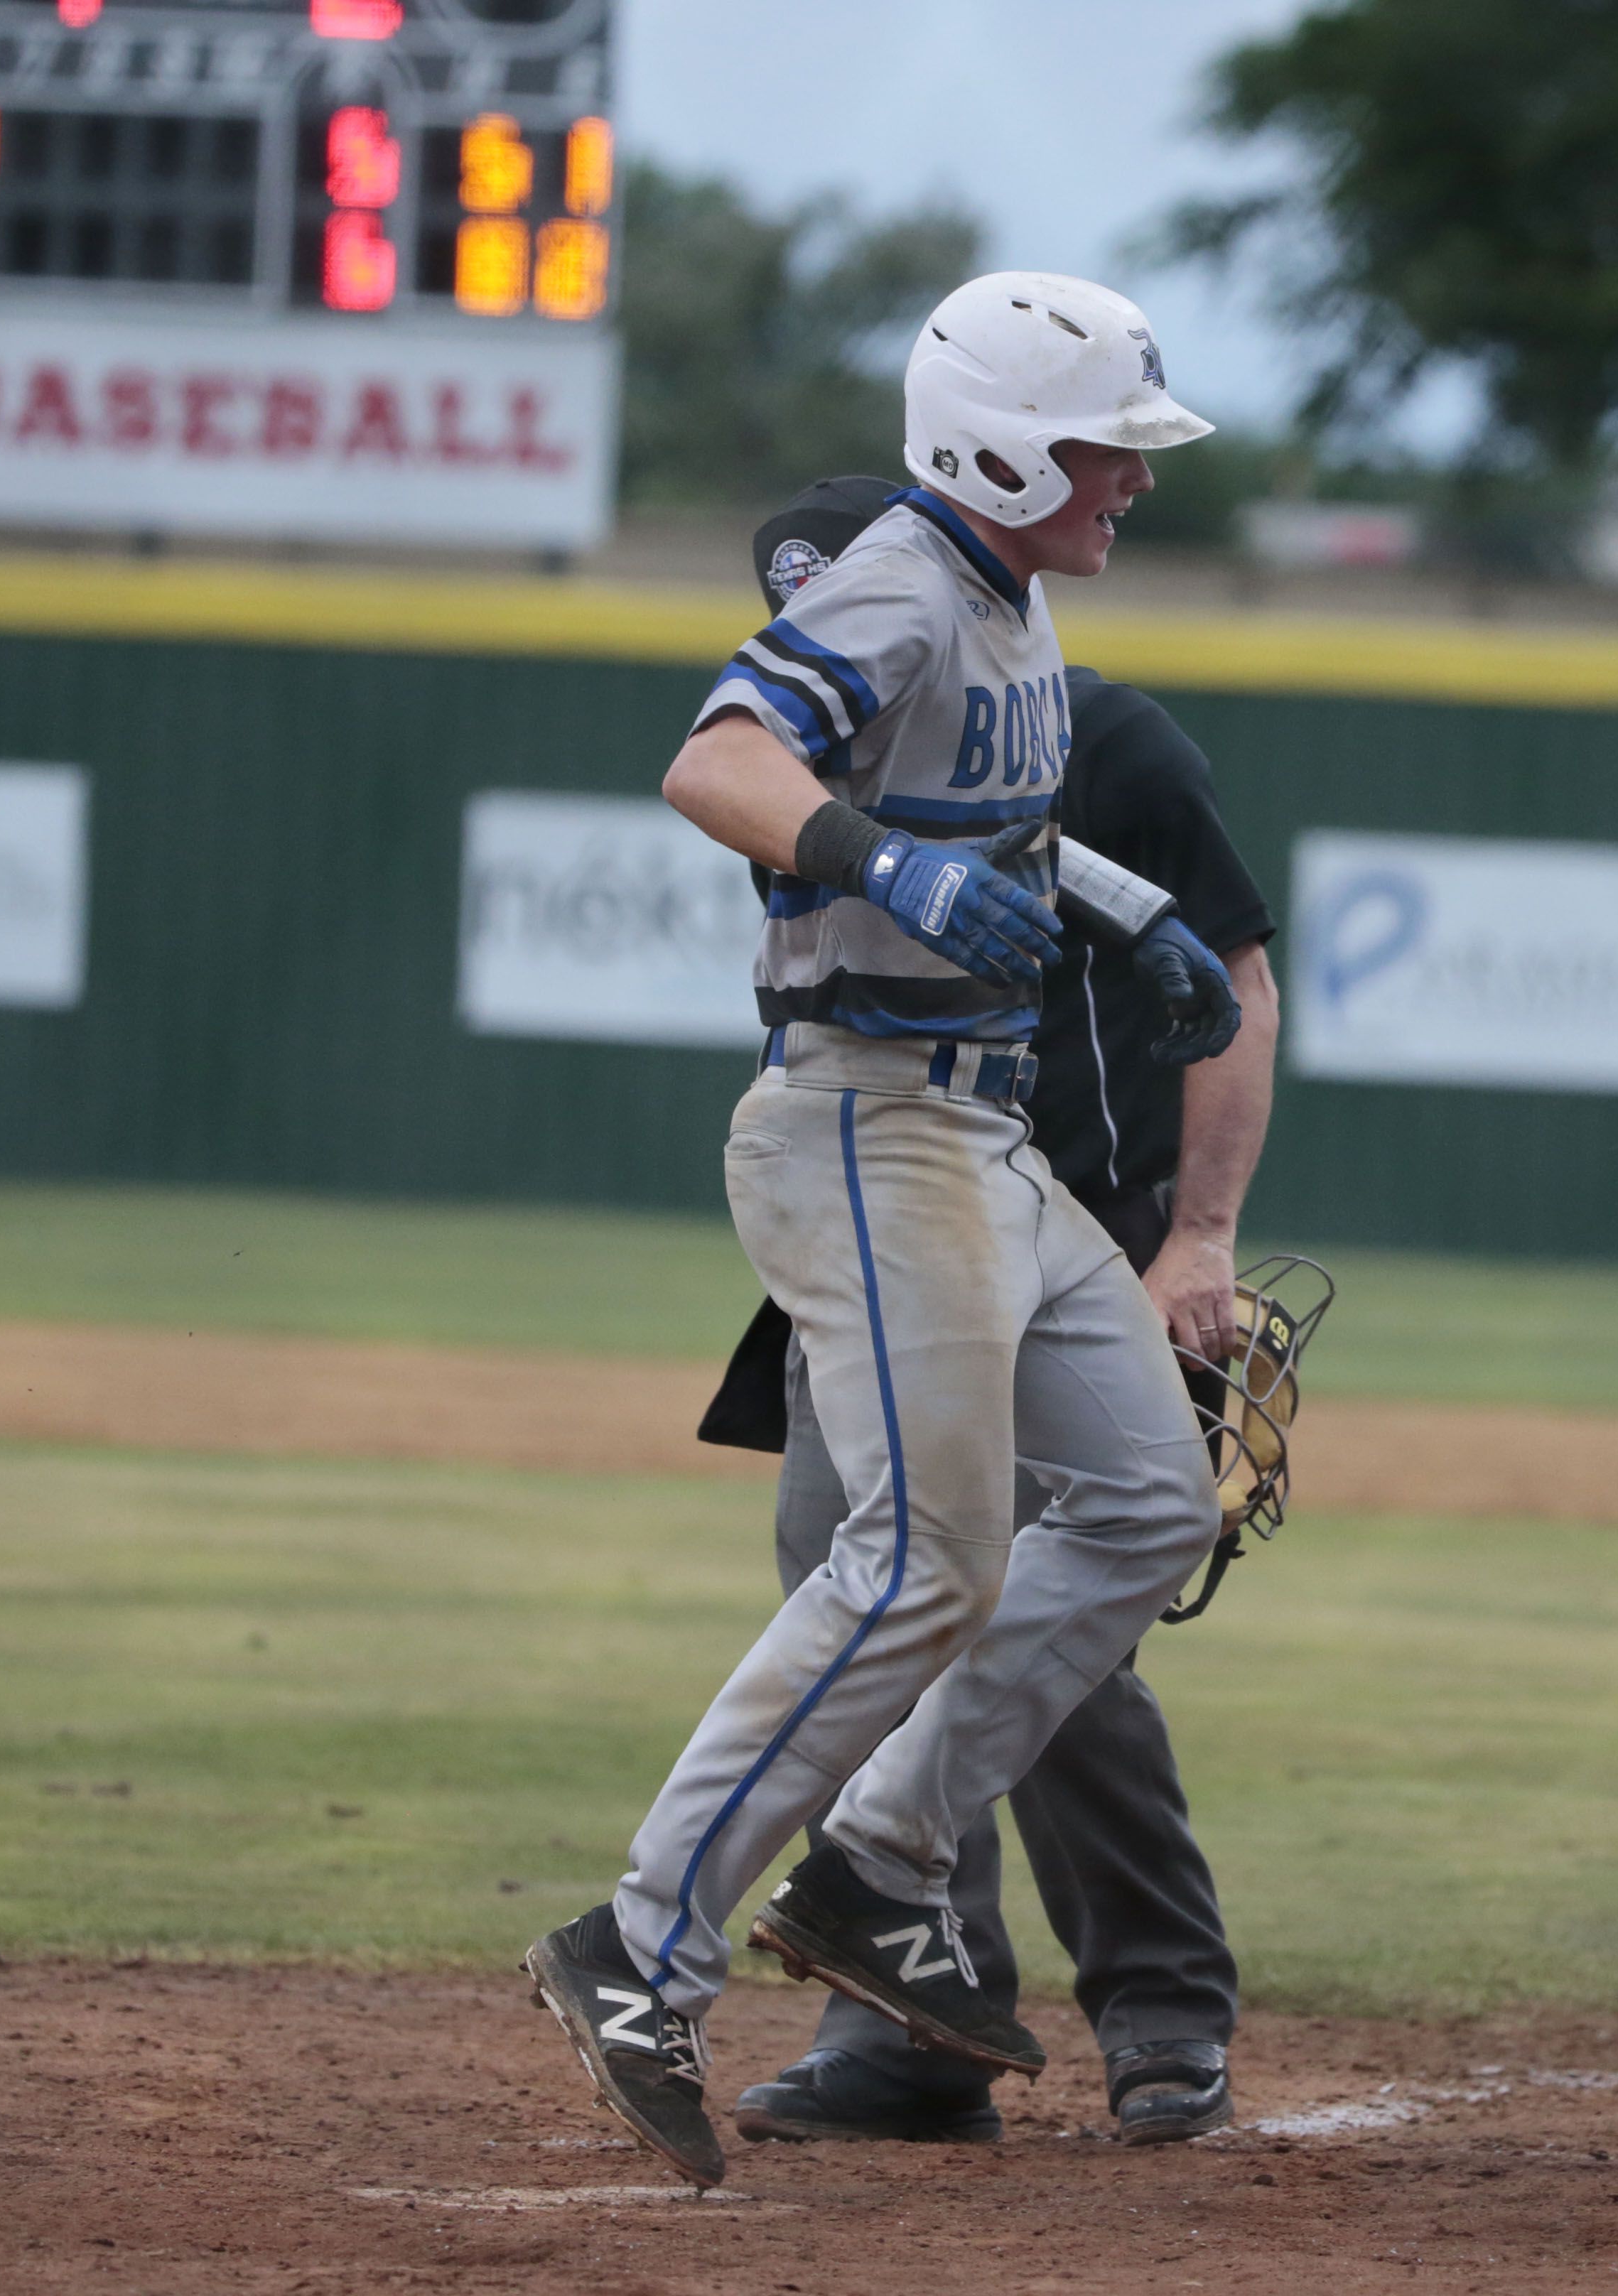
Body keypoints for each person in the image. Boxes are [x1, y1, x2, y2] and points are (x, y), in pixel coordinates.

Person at [519, 272, 1230, 2189]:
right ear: (998, 443)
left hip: (983, 1138)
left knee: (1153, 1505)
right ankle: (634, 1949)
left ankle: (885, 1859)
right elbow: (721, 762)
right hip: (862, 1119)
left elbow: (978, 814)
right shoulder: (910, 580)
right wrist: (875, 857)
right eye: (1104, 450)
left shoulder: (1011, 595)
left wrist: (1111, 895)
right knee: (923, 1555)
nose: (1130, 485)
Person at [692, 477, 1279, 2151]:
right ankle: (916, 2028)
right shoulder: (801, 771)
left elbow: (1237, 986)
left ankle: (1163, 2006)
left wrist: (1201, 1238)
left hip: (1078, 1226)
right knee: (852, 1591)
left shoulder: (1105, 734)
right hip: (887, 1232)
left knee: (1062, 1653)